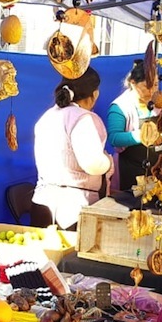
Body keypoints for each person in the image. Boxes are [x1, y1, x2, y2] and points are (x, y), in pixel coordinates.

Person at [31, 67, 113, 230]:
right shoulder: (82, 118)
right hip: (72, 210)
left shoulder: (47, 116)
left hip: (42, 204)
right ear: (95, 94)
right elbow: (93, 163)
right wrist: (108, 162)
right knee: (70, 256)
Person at [105, 58, 161, 191]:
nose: (152, 91)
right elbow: (114, 138)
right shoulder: (120, 107)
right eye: (147, 86)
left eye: (156, 85)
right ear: (133, 83)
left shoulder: (158, 104)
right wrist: (141, 136)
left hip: (156, 168)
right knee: (134, 205)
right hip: (130, 169)